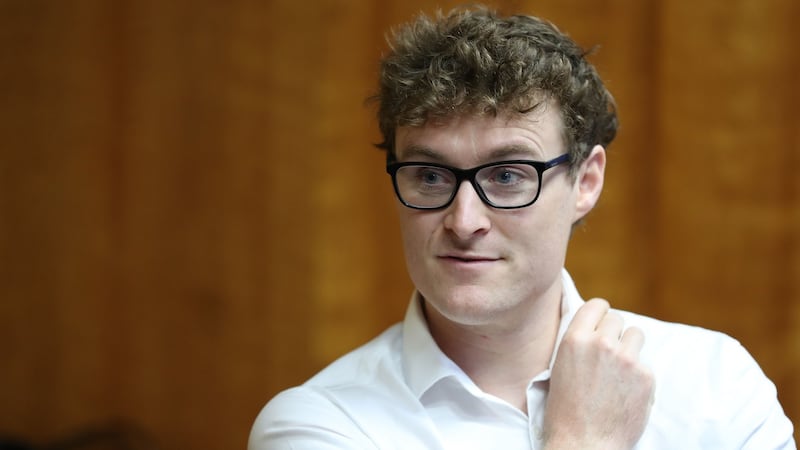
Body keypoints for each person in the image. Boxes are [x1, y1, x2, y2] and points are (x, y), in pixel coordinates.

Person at [249, 6, 796, 449]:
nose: (464, 221)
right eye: (431, 175)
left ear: (585, 182)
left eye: (508, 175)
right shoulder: (320, 424)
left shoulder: (713, 383)